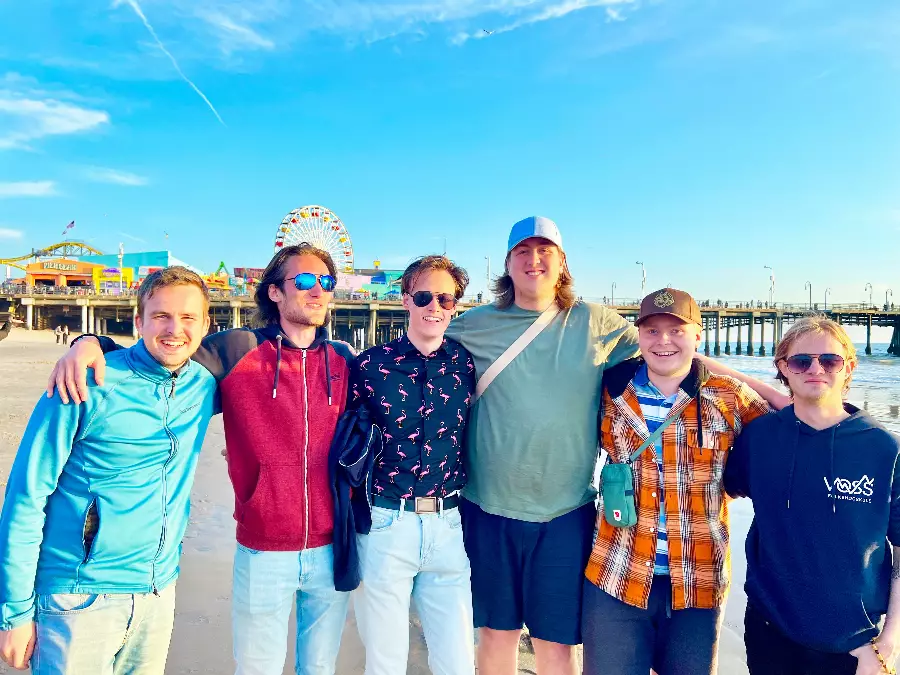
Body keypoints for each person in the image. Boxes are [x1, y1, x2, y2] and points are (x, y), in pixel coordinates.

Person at [444, 216, 788, 675]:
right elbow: (419, 353)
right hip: (487, 507)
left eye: (545, 251)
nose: (534, 260)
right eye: (522, 251)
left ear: (562, 263)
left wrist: (779, 397)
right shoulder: (473, 325)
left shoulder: (596, 322)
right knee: (495, 634)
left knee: (556, 644)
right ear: (507, 264)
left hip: (565, 512)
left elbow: (673, 352)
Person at [45, 243, 356, 675]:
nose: (317, 289)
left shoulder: (344, 359)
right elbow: (162, 358)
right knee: (258, 668)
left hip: (332, 544)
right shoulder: (237, 349)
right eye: (304, 280)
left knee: (320, 667)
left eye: (326, 281)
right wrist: (89, 342)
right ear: (274, 292)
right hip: (264, 546)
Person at [0, 267, 218, 674]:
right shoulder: (85, 382)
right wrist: (14, 613)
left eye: (188, 318)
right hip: (77, 596)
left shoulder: (203, 385)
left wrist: (89, 339)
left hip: (157, 593)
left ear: (207, 325)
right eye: (160, 316)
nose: (175, 330)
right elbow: (26, 496)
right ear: (139, 322)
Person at [581, 288, 772, 675]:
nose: (663, 341)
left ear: (698, 336)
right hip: (616, 572)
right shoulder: (610, 393)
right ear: (639, 336)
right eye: (652, 331)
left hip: (697, 580)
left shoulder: (729, 397)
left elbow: (790, 433)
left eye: (676, 330)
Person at [724, 316, 900, 675]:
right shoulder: (758, 438)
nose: (816, 369)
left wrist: (889, 641)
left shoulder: (885, 449)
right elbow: (721, 493)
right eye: (801, 361)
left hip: (854, 642)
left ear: (848, 367)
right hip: (769, 629)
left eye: (830, 361)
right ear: (783, 368)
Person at [351, 255, 476, 675]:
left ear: (455, 305)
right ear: (406, 300)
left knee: (458, 661)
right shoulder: (369, 365)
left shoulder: (466, 365)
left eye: (445, 298)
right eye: (424, 297)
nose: (434, 307)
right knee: (385, 660)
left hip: (449, 524)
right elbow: (335, 428)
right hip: (386, 523)